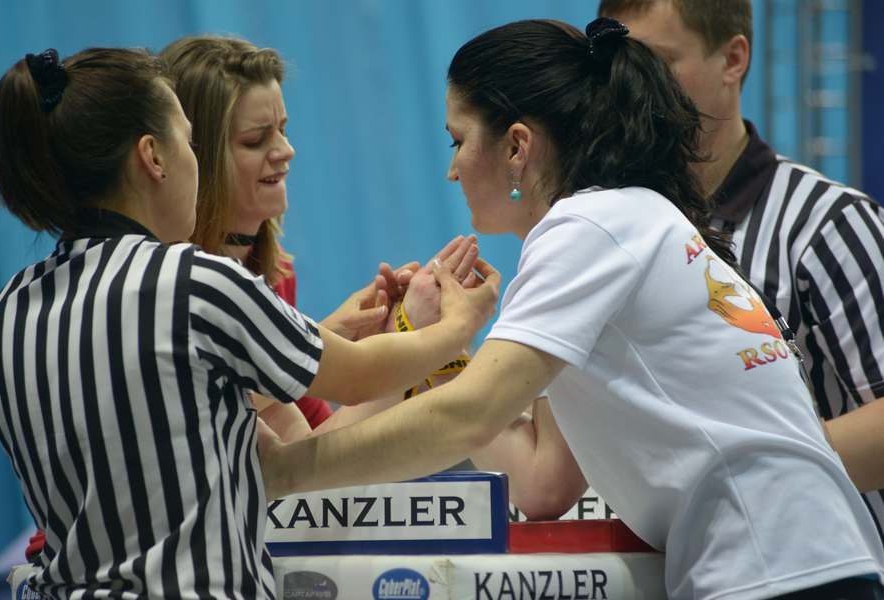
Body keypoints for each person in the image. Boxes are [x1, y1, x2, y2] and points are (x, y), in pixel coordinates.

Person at [258, 18, 884, 599]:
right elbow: (543, 482)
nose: (450, 170)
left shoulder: (588, 226)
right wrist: (448, 358)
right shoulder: (617, 219)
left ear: (517, 147)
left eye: (457, 140)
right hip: (806, 561)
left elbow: (471, 417)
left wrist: (283, 472)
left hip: (775, 568)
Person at [0, 47, 498, 597]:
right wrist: (452, 325)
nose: (196, 162)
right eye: (189, 141)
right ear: (153, 156)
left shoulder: (4, 312)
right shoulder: (191, 280)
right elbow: (361, 378)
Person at [599, 0, 884, 537]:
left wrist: (725, 478)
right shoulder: (607, 229)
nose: (630, 89)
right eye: (617, 63)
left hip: (823, 566)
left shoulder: (827, 224)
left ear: (733, 60)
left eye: (657, 62)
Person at [157, 35, 481, 439]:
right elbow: (187, 419)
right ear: (193, 154)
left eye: (282, 130)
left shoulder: (277, 277)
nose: (286, 150)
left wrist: (397, 339)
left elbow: (318, 452)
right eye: (256, 140)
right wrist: (334, 342)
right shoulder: (168, 287)